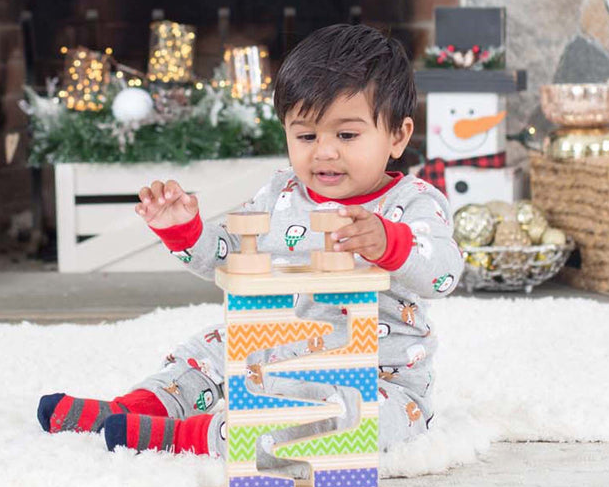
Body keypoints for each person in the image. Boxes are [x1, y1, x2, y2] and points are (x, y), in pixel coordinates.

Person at [37, 23, 464, 457]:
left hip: (376, 378)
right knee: (209, 348)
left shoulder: (413, 202)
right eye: (306, 135)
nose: (325, 151)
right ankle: (134, 410)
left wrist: (390, 243)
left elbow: (445, 273)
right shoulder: (280, 194)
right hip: (277, 351)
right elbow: (228, 256)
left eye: (347, 135)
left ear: (398, 135)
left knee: (343, 426)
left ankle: (192, 438)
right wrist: (185, 230)